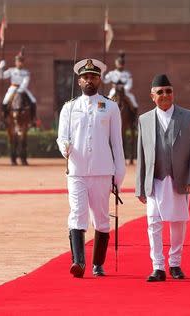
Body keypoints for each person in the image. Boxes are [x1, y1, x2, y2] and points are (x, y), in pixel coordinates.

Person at [57, 58, 126, 278]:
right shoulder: (69, 108)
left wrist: (119, 174)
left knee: (101, 217)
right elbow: (62, 137)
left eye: (93, 77)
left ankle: (98, 263)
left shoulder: (111, 107)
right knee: (77, 213)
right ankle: (78, 262)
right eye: (86, 77)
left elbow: (117, 143)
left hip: (102, 170)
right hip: (77, 170)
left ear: (99, 79)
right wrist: (64, 147)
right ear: (79, 81)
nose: (89, 80)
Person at [135, 74, 190, 282]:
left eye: (169, 91)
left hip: (180, 179)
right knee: (153, 222)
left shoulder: (188, 117)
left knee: (178, 222)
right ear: (152, 96)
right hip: (155, 180)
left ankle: (175, 264)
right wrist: (140, 186)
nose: (165, 95)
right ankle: (158, 267)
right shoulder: (144, 120)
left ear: (173, 93)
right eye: (160, 92)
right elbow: (141, 154)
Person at [0, 47, 37, 128]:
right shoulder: (11, 70)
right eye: (18, 61)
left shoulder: (26, 72)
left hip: (23, 89)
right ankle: (3, 119)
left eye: (21, 62)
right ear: (15, 62)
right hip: (13, 88)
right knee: (5, 101)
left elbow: (26, 81)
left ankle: (33, 120)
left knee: (33, 100)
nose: (20, 63)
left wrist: (21, 90)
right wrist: (1, 67)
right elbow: (2, 76)